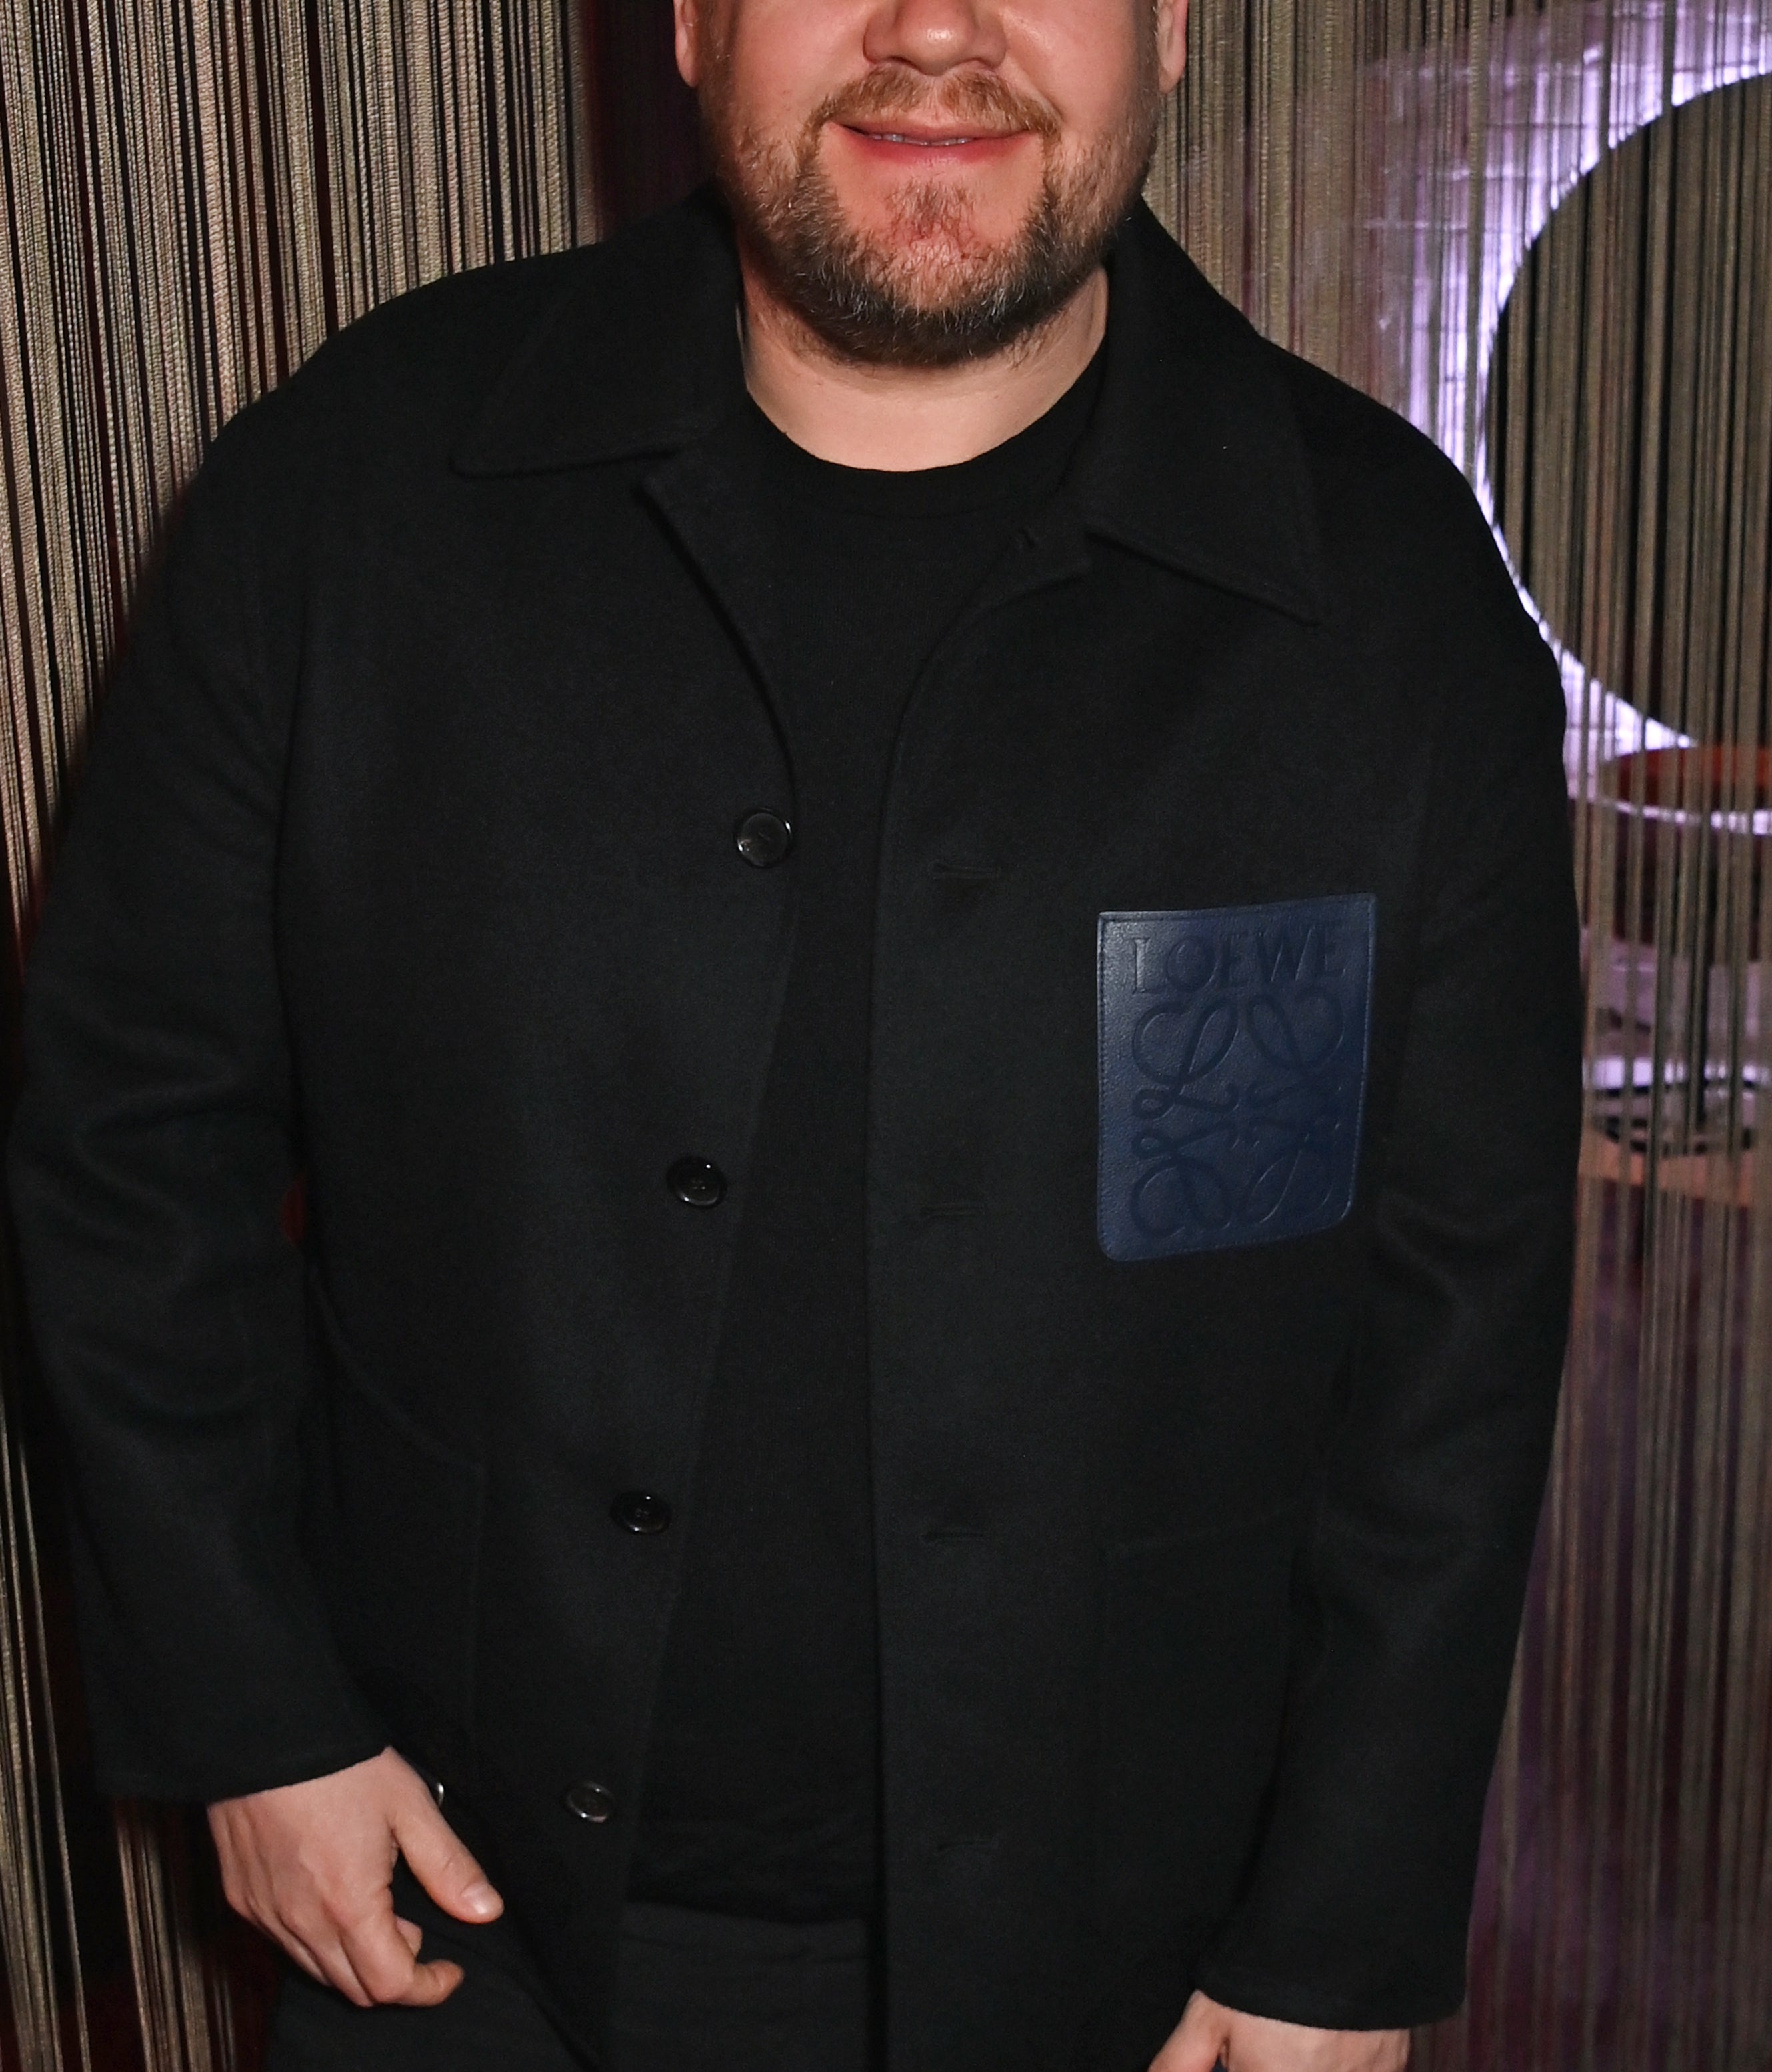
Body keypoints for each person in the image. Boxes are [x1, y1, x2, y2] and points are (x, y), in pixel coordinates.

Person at [7, 0, 1583, 2063]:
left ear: (1174, 26)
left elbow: (1451, 1337)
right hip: (451, 1932)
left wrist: (1341, 1935)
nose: (934, 30)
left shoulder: (1381, 587)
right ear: (690, 20)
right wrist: (252, 1714)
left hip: (1142, 1970)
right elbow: (129, 1140)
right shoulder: (353, 486)